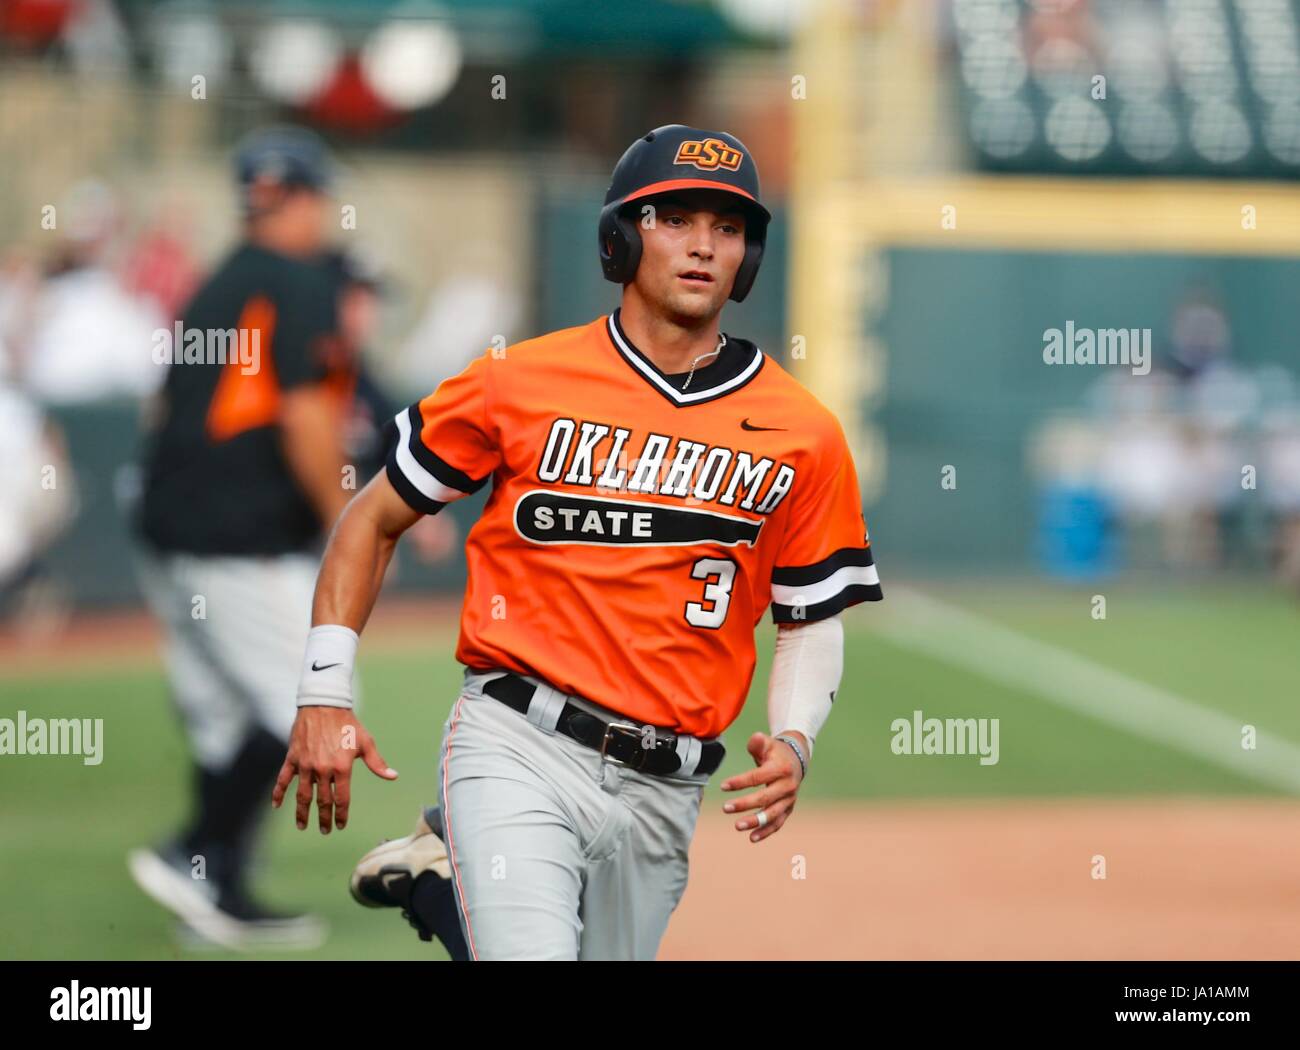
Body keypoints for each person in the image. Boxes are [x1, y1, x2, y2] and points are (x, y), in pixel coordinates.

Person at [276, 125, 882, 961]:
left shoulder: (804, 431)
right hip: (518, 741)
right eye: (675, 219)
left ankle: (440, 881)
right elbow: (371, 518)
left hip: (668, 788)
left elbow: (810, 615)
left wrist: (797, 737)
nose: (705, 246)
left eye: (729, 228)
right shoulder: (516, 382)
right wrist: (324, 691)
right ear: (621, 236)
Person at [129, 126, 355, 951]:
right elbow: (305, 415)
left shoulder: (216, 281)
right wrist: (348, 519)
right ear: (299, 198)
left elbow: (164, 410)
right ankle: (194, 852)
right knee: (313, 698)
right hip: (235, 538)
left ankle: (212, 892)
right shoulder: (298, 283)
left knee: (228, 722)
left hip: (168, 532)